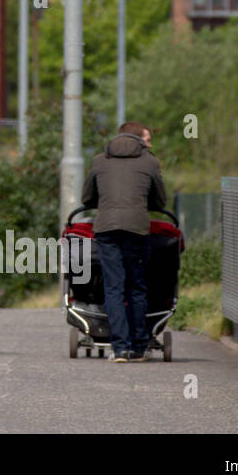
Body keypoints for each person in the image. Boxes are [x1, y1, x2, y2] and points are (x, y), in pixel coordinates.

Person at [80, 121, 168, 362]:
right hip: (137, 228)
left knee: (114, 287)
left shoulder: (99, 160)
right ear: (140, 138)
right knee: (137, 286)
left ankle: (120, 348)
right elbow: (160, 200)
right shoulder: (150, 161)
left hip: (107, 228)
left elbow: (87, 197)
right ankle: (139, 346)